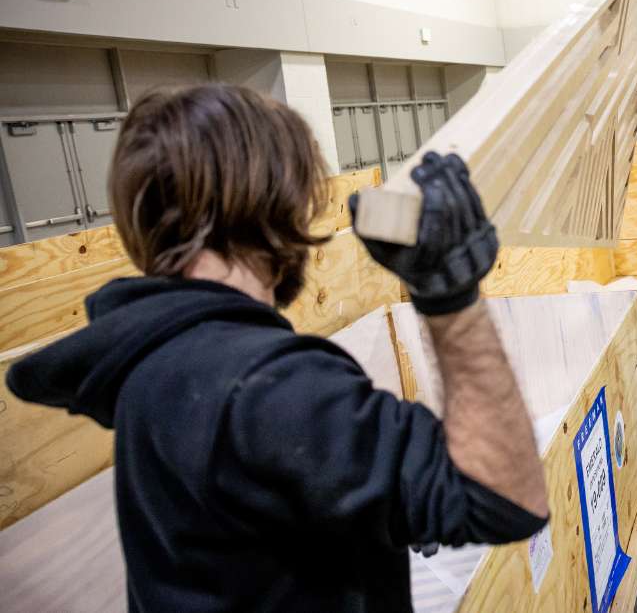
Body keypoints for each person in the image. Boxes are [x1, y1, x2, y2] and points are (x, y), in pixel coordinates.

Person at [5, 84, 549, 612]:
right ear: (273, 202)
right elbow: (507, 498)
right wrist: (450, 294)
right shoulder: (265, 384)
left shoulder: (149, 368)